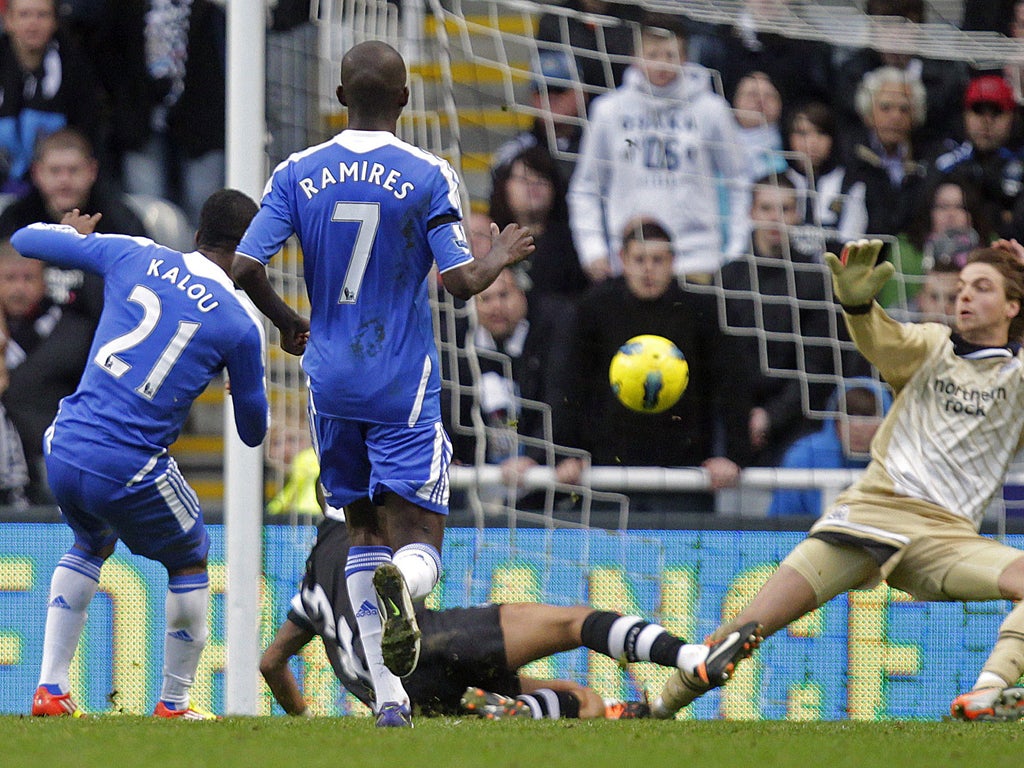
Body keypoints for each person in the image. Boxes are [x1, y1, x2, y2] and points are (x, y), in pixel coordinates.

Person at [231, 40, 535, 728]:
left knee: (362, 529)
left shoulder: (296, 172)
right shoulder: (428, 173)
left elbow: (246, 267)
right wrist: (498, 256)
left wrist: (288, 324)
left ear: (340, 99)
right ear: (404, 100)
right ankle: (410, 585)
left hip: (329, 380)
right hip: (399, 382)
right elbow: (459, 285)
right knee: (420, 530)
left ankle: (390, 702)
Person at [655, 237, 1024, 722]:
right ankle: (654, 706)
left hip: (946, 538)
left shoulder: (1017, 377)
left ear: (1013, 306)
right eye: (960, 288)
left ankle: (987, 692)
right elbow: (882, 340)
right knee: (741, 634)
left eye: (982, 288)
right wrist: (857, 304)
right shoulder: (932, 346)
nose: (965, 297)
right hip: (869, 516)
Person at [22, 189, 268, 719]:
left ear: (197, 236)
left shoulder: (135, 252)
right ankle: (174, 704)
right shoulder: (239, 325)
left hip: (64, 446)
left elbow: (24, 239)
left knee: (90, 539)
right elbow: (253, 432)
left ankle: (50, 689)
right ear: (254, 252)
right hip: (126, 463)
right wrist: (243, 385)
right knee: (190, 555)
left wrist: (74, 236)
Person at [259, 513, 762, 719]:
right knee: (573, 624)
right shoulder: (378, 522)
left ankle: (552, 710)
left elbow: (271, 664)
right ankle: (691, 656)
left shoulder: (313, 577)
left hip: (407, 702)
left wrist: (305, 720)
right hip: (433, 645)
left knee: (576, 698)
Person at [552, 218, 740, 517]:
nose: (648, 268)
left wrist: (730, 455)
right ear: (623, 260)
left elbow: (728, 386)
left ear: (673, 262)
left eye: (658, 260)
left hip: (684, 472)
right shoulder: (593, 309)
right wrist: (567, 452)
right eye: (639, 259)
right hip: (607, 471)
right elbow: (570, 384)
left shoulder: (700, 312)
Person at [567, 20, 750, 281]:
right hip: (631, 259)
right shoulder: (608, 110)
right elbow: (585, 187)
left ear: (685, 57)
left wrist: (735, 251)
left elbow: (739, 181)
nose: (662, 63)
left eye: (670, 55)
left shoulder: (712, 110)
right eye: (652, 55)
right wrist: (592, 250)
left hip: (698, 259)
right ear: (636, 57)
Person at [717, 176, 840, 467]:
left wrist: (771, 417)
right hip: (735, 425)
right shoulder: (727, 279)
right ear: (751, 212)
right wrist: (744, 416)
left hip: (798, 426)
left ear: (797, 215)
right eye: (767, 208)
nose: (776, 219)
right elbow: (720, 362)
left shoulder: (816, 281)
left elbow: (817, 367)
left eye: (785, 209)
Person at [0, 0, 102, 195]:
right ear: (8, 21)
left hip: (59, 188)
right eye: (24, 15)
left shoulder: (76, 68)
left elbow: (88, 134)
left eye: (42, 15)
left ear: (55, 22)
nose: (33, 23)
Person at [766, 378, 892, 517]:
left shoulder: (901, 462)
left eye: (866, 416)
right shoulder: (804, 456)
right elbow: (783, 526)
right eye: (848, 414)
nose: (856, 425)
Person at [488, 145, 589, 301]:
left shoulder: (577, 242)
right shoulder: (489, 238)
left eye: (542, 178)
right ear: (504, 188)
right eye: (524, 179)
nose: (534, 184)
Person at [931, 75, 1024, 239]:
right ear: (965, 115)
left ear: (1012, 117)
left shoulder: (1019, 164)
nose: (986, 121)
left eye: (997, 112)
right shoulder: (945, 163)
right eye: (978, 111)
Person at [843, 66, 931, 238]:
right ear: (868, 112)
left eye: (904, 109)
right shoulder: (849, 155)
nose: (896, 116)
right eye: (885, 107)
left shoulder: (924, 160)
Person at [878, 177, 992, 309]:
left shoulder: (990, 248)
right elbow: (892, 309)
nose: (951, 214)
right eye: (942, 207)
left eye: (960, 207)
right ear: (929, 212)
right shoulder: (905, 249)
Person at [783, 101, 868, 245]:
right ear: (789, 137)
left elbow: (851, 242)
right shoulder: (777, 181)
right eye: (802, 133)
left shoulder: (850, 184)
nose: (812, 142)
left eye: (821, 133)